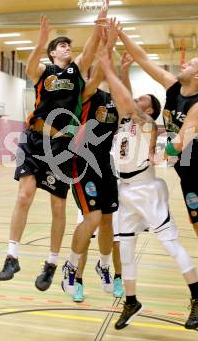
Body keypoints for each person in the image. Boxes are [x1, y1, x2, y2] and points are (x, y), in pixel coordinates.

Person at [118, 29, 198, 324]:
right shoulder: (172, 87)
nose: (182, 66)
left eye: (189, 65)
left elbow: (182, 140)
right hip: (187, 169)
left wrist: (157, 153)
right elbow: (144, 59)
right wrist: (121, 35)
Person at [97, 35, 198, 330]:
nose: (136, 99)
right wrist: (120, 69)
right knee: (126, 249)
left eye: (142, 100)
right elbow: (125, 96)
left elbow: (123, 96)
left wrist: (105, 61)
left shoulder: (148, 124)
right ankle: (131, 302)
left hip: (146, 189)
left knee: (170, 244)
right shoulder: (126, 119)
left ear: (149, 109)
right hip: (125, 190)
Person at [0, 9, 106, 291]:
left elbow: (92, 48)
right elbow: (30, 67)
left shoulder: (77, 70)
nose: (67, 46)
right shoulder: (45, 71)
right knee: (24, 195)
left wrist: (99, 23)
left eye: (68, 44)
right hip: (33, 139)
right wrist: (41, 39)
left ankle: (51, 263)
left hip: (61, 146)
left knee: (57, 205)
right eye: (61, 44)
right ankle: (12, 255)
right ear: (52, 53)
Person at [61, 19, 121, 298]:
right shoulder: (84, 93)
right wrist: (106, 41)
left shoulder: (113, 99)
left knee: (107, 221)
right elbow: (98, 70)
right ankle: (71, 268)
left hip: (105, 163)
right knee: (93, 217)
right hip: (81, 162)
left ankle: (104, 266)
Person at [72, 209, 123, 302]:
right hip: (89, 197)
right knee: (84, 241)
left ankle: (118, 278)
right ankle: (78, 282)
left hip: (113, 198)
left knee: (117, 241)